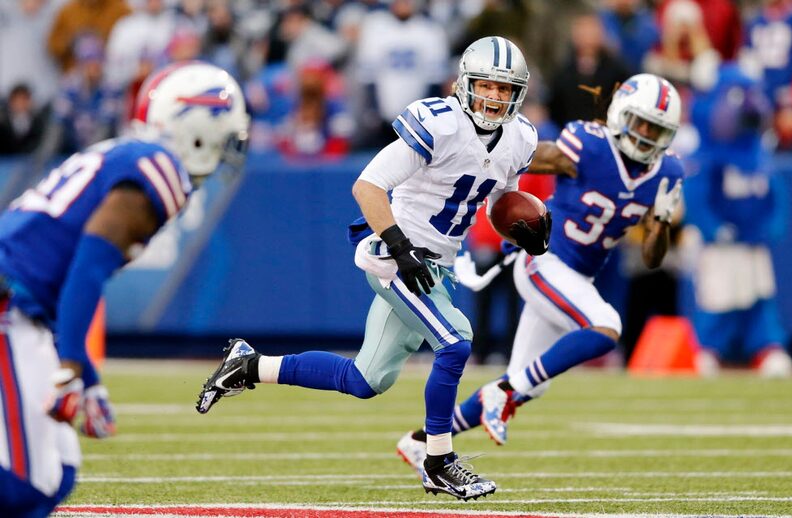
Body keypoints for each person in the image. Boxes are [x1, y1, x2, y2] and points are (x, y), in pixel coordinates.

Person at [195, 37, 549, 501]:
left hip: (437, 262)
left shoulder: (520, 138)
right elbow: (368, 187)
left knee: (366, 380)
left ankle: (249, 365)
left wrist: (524, 224)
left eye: (506, 90)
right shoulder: (439, 123)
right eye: (488, 85)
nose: (496, 98)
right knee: (456, 340)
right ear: (465, 83)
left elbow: (499, 198)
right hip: (394, 249)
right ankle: (438, 460)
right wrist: (401, 247)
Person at [396, 73, 685, 471]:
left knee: (531, 380)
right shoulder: (588, 144)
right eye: (642, 123)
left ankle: (421, 442)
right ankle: (505, 392)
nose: (648, 135)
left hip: (577, 278)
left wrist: (664, 221)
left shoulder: (667, 173)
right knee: (606, 326)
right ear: (621, 114)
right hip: (543, 261)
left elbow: (653, 258)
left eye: (658, 129)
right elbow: (523, 154)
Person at [0, 61, 249, 517]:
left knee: (61, 470)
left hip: (23, 308)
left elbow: (70, 273)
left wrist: (88, 381)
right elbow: (87, 269)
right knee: (24, 487)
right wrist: (72, 366)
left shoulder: (131, 153)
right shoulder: (161, 168)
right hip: (8, 303)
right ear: (196, 126)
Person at [684, 64, 792, 377]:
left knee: (760, 296)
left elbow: (776, 196)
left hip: (753, 243)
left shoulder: (759, 155)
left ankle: (767, 347)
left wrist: (772, 225)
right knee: (718, 299)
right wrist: (713, 229)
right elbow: (697, 199)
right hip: (720, 247)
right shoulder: (707, 158)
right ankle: (708, 348)